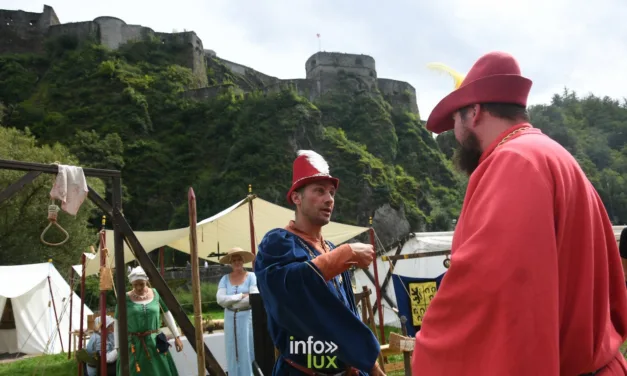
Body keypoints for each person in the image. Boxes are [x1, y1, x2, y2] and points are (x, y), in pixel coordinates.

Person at [411, 51, 627, 375]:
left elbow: (497, 297)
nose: (454, 133)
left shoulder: (514, 163)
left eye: (455, 119)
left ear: (474, 111)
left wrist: (429, 353)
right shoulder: (556, 157)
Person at [254, 150, 384, 376]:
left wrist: (363, 365)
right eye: (319, 191)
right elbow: (287, 291)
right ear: (297, 197)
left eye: (332, 192)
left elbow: (343, 313)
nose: (329, 199)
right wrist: (344, 254)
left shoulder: (331, 249)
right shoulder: (277, 243)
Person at [115, 266, 184, 376]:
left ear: (146, 281)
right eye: (135, 284)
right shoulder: (125, 298)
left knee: (161, 371)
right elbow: (117, 322)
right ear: (131, 283)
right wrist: (117, 347)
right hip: (134, 344)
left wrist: (177, 336)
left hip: (155, 342)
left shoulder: (155, 294)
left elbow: (166, 314)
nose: (138, 287)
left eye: (141, 284)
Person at [216, 247, 258, 376]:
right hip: (229, 317)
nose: (236, 262)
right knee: (231, 348)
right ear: (230, 263)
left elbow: (253, 298)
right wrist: (240, 296)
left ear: (243, 260)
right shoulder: (224, 279)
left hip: (246, 317)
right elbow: (220, 300)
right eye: (233, 260)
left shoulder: (251, 276)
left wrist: (231, 301)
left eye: (238, 259)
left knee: (246, 347)